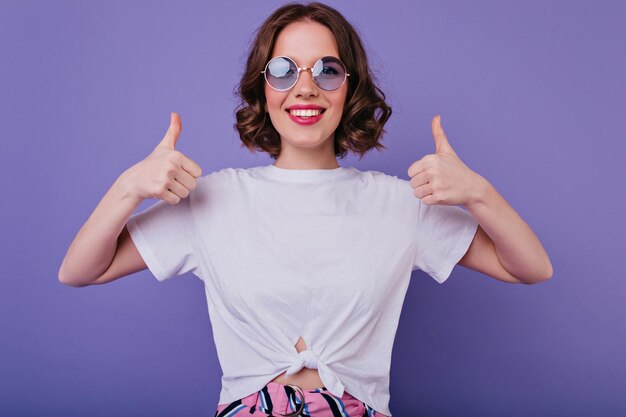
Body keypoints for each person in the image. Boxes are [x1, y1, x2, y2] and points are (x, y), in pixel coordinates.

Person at [58, 2, 553, 416]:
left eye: (327, 70)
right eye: (283, 69)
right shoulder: (213, 199)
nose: (306, 87)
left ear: (349, 88)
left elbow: (531, 267)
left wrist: (478, 193)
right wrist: (128, 187)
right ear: (263, 88)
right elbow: (79, 271)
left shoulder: (400, 204)